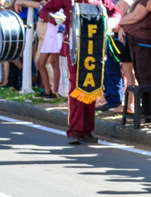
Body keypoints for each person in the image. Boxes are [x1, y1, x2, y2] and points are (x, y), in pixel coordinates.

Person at [39, 0, 121, 143]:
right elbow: (44, 11)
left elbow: (115, 12)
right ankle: (75, 131)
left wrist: (112, 22)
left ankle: (87, 130)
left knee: (92, 86)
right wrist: (55, 19)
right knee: (76, 87)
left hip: (94, 49)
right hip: (74, 48)